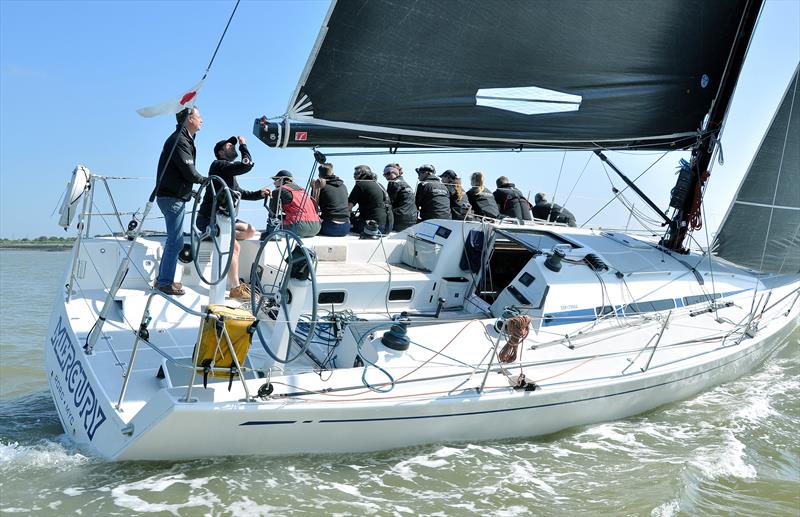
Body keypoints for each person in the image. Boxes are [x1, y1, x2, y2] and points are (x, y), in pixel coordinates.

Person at [196, 135, 268, 300]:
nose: (234, 147)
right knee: (235, 246)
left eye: (235, 146)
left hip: (225, 219)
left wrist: (260, 194)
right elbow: (246, 165)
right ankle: (235, 287)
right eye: (230, 146)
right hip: (209, 219)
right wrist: (244, 146)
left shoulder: (228, 173)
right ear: (221, 152)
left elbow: (240, 193)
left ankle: (226, 236)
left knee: (250, 231)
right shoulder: (219, 165)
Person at [154, 106, 205, 296]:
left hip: (174, 196)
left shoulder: (184, 139)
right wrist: (204, 180)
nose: (202, 120)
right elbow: (189, 171)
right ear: (189, 119)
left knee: (175, 241)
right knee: (175, 242)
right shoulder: (179, 140)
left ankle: (164, 279)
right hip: (171, 198)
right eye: (199, 116)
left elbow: (180, 173)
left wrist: (188, 192)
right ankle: (164, 282)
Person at [267, 170, 321, 238]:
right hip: (316, 228)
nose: (274, 183)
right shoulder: (303, 191)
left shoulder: (278, 191)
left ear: (281, 180)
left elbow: (272, 215)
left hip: (299, 227)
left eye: (275, 180)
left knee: (271, 224)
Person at [348, 165, 393, 234]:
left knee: (345, 228)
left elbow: (348, 207)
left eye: (355, 174)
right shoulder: (380, 185)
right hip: (388, 227)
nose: (354, 176)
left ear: (362, 173)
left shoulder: (360, 185)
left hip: (373, 227)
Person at [311, 163, 351, 236]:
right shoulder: (343, 186)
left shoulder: (320, 186)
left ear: (319, 175)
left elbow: (313, 208)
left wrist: (314, 188)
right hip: (346, 227)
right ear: (332, 173)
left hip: (330, 227)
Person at [382, 163, 417, 231]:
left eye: (388, 173)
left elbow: (389, 203)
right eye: (384, 175)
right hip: (412, 219)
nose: (386, 176)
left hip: (399, 220)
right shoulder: (406, 184)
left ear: (395, 172)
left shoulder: (393, 182)